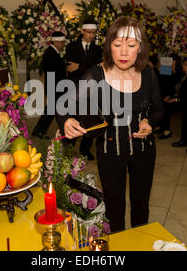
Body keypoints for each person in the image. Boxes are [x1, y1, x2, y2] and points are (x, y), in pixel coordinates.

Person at [57, 16, 164, 232]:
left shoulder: (148, 73)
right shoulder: (97, 74)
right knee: (114, 210)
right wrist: (67, 120)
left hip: (144, 150)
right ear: (109, 46)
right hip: (110, 150)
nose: (124, 52)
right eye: (117, 45)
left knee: (141, 207)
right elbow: (64, 104)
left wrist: (149, 121)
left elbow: (159, 109)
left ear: (140, 48)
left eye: (131, 45)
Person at [64, 17, 103, 160]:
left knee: (90, 119)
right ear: (82, 31)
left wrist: (80, 67)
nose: (91, 35)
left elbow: (95, 70)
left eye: (94, 32)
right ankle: (67, 148)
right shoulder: (71, 47)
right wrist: (84, 68)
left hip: (91, 89)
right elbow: (71, 68)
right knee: (73, 118)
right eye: (89, 32)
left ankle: (85, 150)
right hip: (74, 89)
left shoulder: (97, 49)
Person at [32, 31, 67, 139]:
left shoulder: (52, 52)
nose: (62, 44)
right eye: (61, 42)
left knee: (50, 111)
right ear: (55, 41)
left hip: (54, 86)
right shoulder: (51, 53)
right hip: (55, 87)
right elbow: (53, 73)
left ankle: (39, 130)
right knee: (50, 111)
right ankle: (39, 130)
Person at [155, 53, 184, 139]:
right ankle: (161, 126)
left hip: (176, 97)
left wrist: (169, 96)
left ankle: (167, 130)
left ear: (175, 61)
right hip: (167, 95)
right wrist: (159, 69)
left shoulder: (180, 73)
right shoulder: (167, 69)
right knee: (159, 103)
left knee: (167, 106)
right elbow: (162, 82)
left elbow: (176, 88)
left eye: (171, 60)